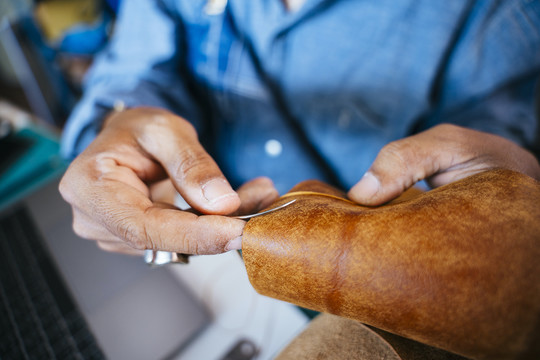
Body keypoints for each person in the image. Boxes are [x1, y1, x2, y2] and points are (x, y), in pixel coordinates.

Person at [59, 0, 540, 258]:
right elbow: (136, 68)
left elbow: (495, 163)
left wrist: (502, 201)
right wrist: (116, 123)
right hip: (190, 270)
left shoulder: (494, 13)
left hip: (353, 312)